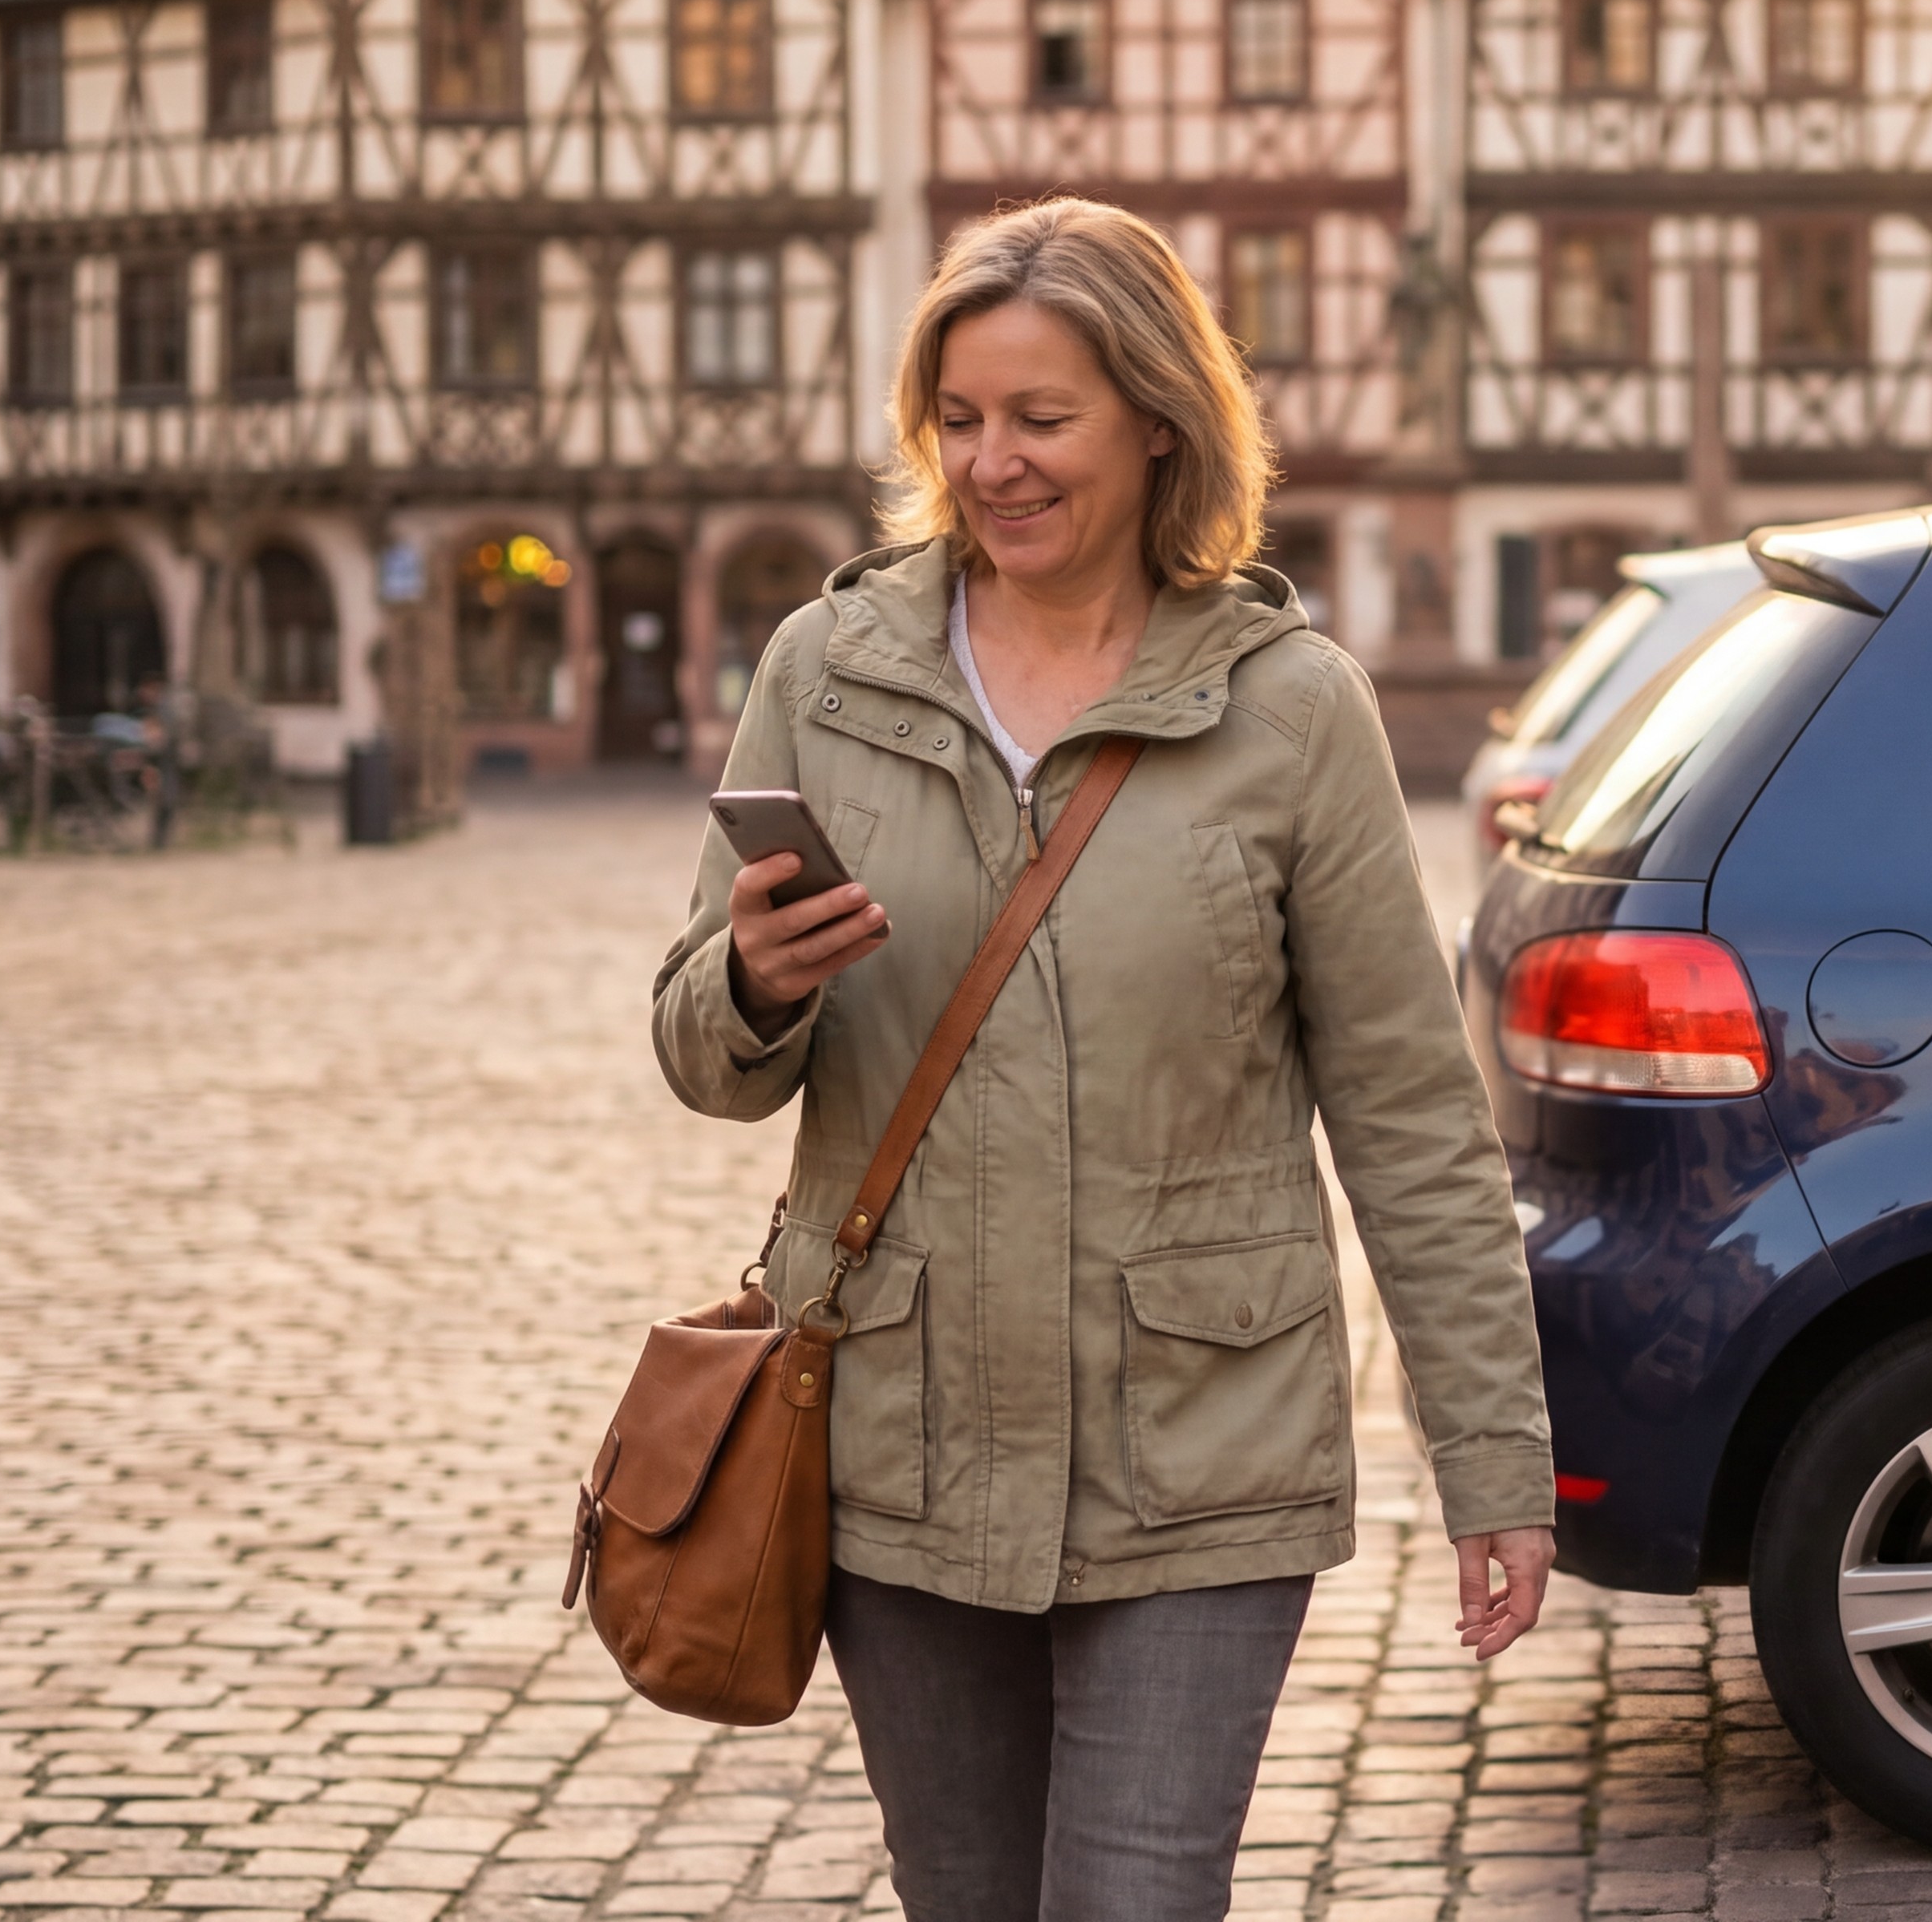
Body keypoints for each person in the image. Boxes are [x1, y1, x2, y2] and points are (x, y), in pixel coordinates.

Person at [651, 198, 1553, 1922]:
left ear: (1156, 418)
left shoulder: (1291, 710)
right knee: (963, 1897)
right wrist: (753, 983)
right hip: (899, 1437)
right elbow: (707, 1057)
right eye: (963, 420)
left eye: (1040, 419)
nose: (993, 464)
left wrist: (1492, 1464)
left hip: (1197, 1448)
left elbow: (1412, 1121)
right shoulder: (826, 675)